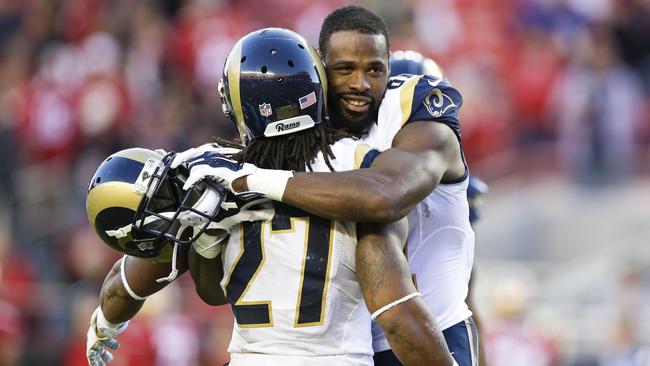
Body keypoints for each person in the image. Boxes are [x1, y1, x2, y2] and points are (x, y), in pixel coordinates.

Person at [85, 27, 455, 366]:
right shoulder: (361, 168)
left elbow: (130, 282)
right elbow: (397, 314)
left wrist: (104, 323)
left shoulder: (213, 174)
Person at [174, 6, 478, 366]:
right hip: (349, 345)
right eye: (344, 69)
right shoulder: (300, 128)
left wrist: (251, 181)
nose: (360, 84)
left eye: (374, 70)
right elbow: (204, 281)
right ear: (319, 68)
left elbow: (386, 196)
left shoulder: (413, 106)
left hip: (432, 330)